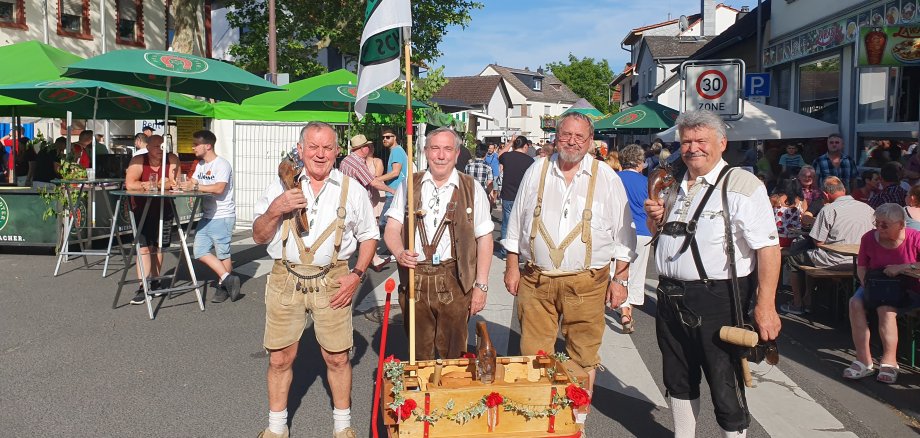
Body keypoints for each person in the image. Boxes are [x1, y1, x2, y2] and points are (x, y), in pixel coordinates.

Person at [644, 110, 781, 437]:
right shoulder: (674, 183)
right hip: (669, 294)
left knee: (725, 380)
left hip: (719, 297)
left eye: (701, 140)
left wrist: (766, 306)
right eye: (686, 141)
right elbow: (663, 236)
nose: (693, 148)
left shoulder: (742, 184)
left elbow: (768, 248)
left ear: (722, 143)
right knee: (677, 375)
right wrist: (655, 218)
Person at [504, 112, 636, 422]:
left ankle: (575, 421)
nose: (572, 141)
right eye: (566, 135)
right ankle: (539, 418)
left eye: (580, 136)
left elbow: (625, 234)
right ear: (555, 136)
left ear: (591, 142)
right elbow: (515, 225)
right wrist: (512, 266)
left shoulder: (607, 178)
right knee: (535, 354)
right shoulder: (537, 170)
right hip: (536, 280)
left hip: (587, 283)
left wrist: (621, 279)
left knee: (583, 355)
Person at [251, 122, 378, 438]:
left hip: (333, 280)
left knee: (337, 357)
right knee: (280, 358)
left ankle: (342, 425)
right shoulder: (281, 187)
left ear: (337, 151)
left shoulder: (352, 189)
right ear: (300, 149)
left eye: (327, 148)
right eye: (313, 147)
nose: (320, 155)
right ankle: (277, 428)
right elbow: (257, 235)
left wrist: (357, 276)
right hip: (285, 279)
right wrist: (275, 210)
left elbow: (369, 236)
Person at [384, 127, 493, 360]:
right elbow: (392, 229)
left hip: (455, 280)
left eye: (447, 149)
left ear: (456, 153)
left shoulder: (472, 188)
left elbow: (484, 239)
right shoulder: (408, 185)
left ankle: (450, 396)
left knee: (454, 355)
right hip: (415, 279)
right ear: (425, 152)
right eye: (435, 149)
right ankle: (421, 396)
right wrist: (399, 251)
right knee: (418, 353)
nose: (441, 155)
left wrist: (480, 286)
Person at [844, 203, 920, 384]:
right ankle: (863, 360)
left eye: (884, 224)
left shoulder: (915, 238)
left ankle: (890, 362)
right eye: (877, 223)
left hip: (910, 289)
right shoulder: (869, 238)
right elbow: (862, 267)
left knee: (885, 309)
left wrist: (903, 266)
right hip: (877, 285)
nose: (879, 228)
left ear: (901, 225)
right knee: (855, 303)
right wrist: (868, 288)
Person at [780, 176, 874, 315]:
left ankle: (798, 303)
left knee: (794, 258)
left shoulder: (829, 210)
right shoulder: (867, 208)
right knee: (809, 255)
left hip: (834, 260)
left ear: (825, 194)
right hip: (861, 261)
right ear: (844, 190)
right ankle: (808, 298)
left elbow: (818, 242)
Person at [176, 130, 241, 303]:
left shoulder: (222, 164)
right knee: (199, 251)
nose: (192, 147)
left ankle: (223, 287)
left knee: (223, 254)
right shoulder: (200, 165)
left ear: (208, 146)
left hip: (222, 215)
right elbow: (193, 182)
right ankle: (228, 279)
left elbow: (219, 188)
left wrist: (195, 187)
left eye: (196, 144)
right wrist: (184, 185)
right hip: (207, 215)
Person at [124, 134, 180, 305]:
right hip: (142, 208)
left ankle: (156, 280)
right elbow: (130, 183)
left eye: (163, 146)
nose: (160, 150)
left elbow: (175, 182)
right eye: (156, 147)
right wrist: (145, 184)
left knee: (159, 246)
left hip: (164, 208)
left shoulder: (171, 159)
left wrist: (158, 184)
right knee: (144, 248)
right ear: (147, 148)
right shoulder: (138, 160)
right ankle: (142, 286)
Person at [341, 134, 394, 270]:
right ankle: (366, 263)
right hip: (358, 203)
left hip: (347, 200)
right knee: (369, 231)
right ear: (362, 148)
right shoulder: (358, 164)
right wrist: (392, 191)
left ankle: (373, 259)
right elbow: (374, 182)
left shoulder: (346, 160)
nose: (370, 148)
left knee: (354, 232)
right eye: (368, 146)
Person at [616, 144, 650, 334]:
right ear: (639, 162)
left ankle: (624, 309)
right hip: (643, 231)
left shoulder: (614, 179)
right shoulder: (646, 182)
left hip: (619, 230)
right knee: (637, 274)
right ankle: (629, 312)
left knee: (619, 272)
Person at [497, 136, 533, 258]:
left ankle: (505, 252)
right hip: (522, 197)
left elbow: (499, 155)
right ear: (525, 146)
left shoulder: (507, 156)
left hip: (507, 194)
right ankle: (519, 253)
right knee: (522, 225)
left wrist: (510, 143)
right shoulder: (530, 161)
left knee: (506, 224)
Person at [374, 127, 407, 228]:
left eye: (388, 137)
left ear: (395, 137)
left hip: (394, 193)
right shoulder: (396, 151)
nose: (385, 139)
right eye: (383, 137)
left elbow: (395, 172)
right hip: (395, 192)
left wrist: (376, 179)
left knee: (382, 224)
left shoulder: (396, 151)